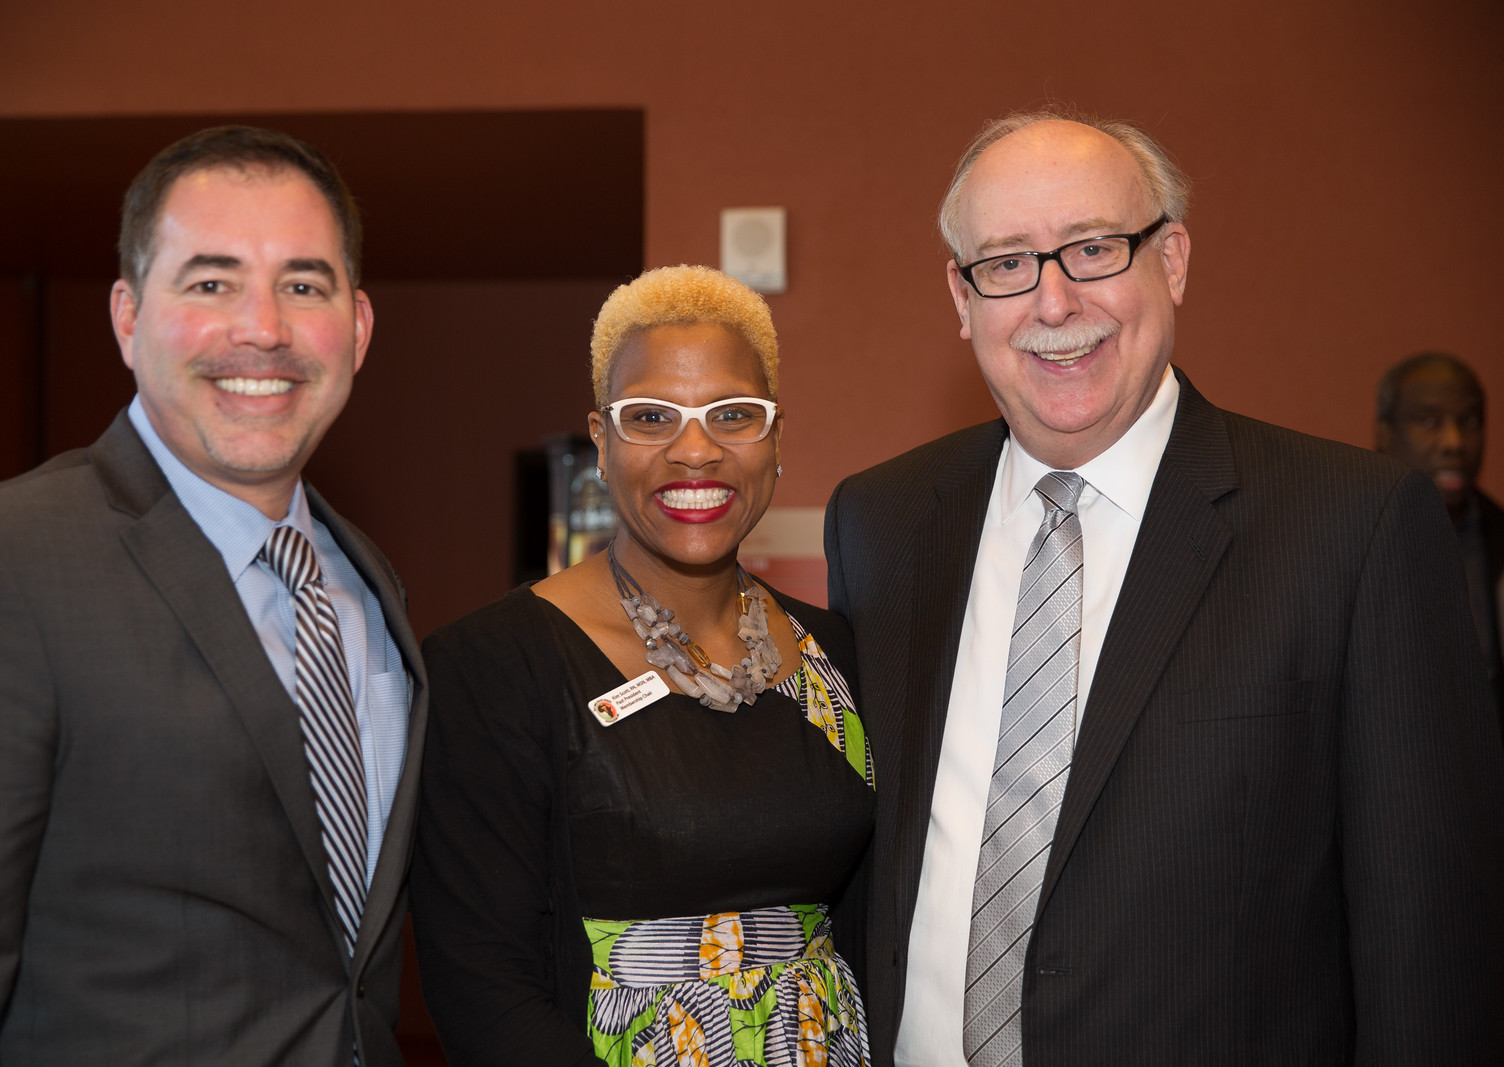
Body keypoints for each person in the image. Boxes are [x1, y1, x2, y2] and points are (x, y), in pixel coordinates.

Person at [824, 110, 1504, 1066]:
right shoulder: (881, 522)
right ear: (961, 294)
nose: (1052, 303)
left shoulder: (1355, 527)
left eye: (1094, 249)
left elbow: (1430, 942)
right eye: (1008, 262)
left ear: (1173, 259)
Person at [0, 126, 427, 1065]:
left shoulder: (365, 584)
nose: (262, 327)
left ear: (357, 327)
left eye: (303, 285)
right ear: (127, 315)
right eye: (211, 282)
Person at [411, 265, 874, 1066]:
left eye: (733, 414)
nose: (694, 450)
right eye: (651, 417)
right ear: (601, 438)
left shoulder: (838, 649)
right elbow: (482, 985)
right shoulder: (490, 665)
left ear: (775, 436)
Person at [1375, 351, 1504, 724]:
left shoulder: (1496, 538)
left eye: (1470, 421)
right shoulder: (1340, 537)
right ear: (1384, 432)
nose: (1454, 442)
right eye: (1429, 421)